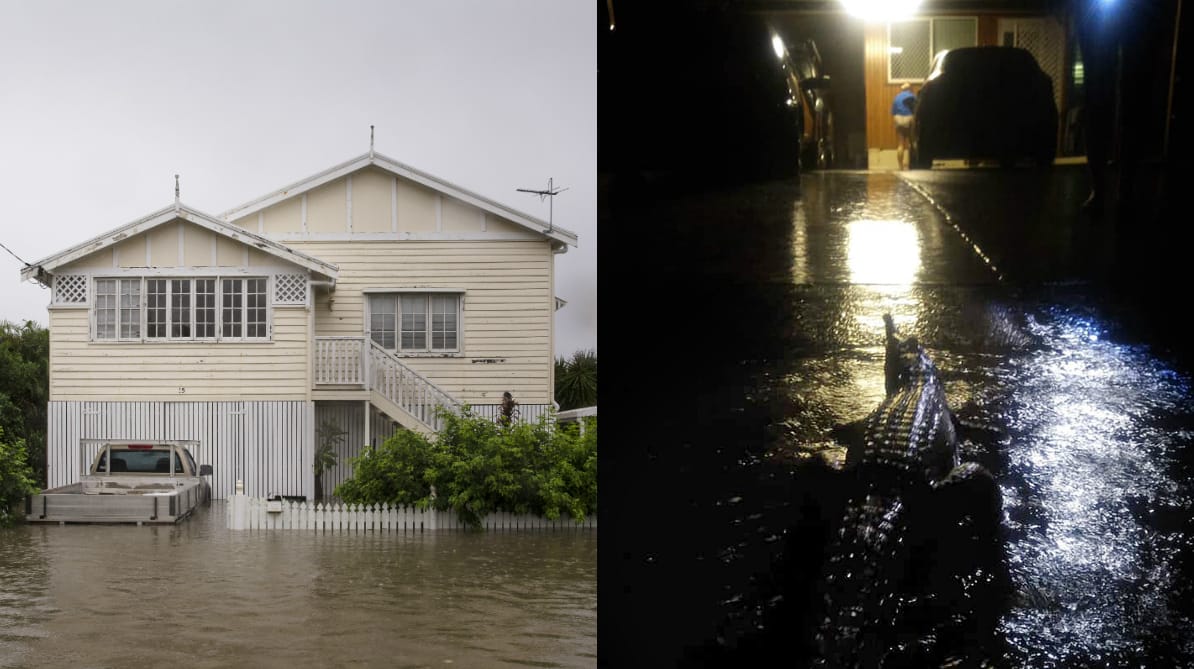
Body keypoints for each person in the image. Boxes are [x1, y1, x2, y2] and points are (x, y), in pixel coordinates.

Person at [891, 83, 916, 170]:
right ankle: (911, 165)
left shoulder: (896, 97)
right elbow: (915, 110)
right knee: (911, 142)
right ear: (910, 88)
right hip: (909, 118)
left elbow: (893, 112)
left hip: (898, 118)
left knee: (901, 143)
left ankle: (900, 166)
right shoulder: (913, 96)